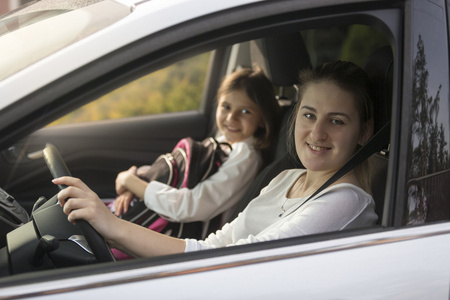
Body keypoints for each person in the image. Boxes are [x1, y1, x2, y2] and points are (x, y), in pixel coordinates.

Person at [54, 61, 378, 257]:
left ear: (364, 132)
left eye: (337, 121)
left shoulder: (345, 201)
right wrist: (113, 227)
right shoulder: (285, 179)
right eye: (309, 115)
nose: (317, 133)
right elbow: (220, 242)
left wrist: (112, 227)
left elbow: (233, 259)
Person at [112, 67, 281, 232]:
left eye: (245, 111)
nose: (231, 118)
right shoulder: (224, 143)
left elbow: (189, 206)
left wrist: (131, 182)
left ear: (262, 119)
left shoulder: (246, 156)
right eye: (226, 107)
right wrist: (137, 182)